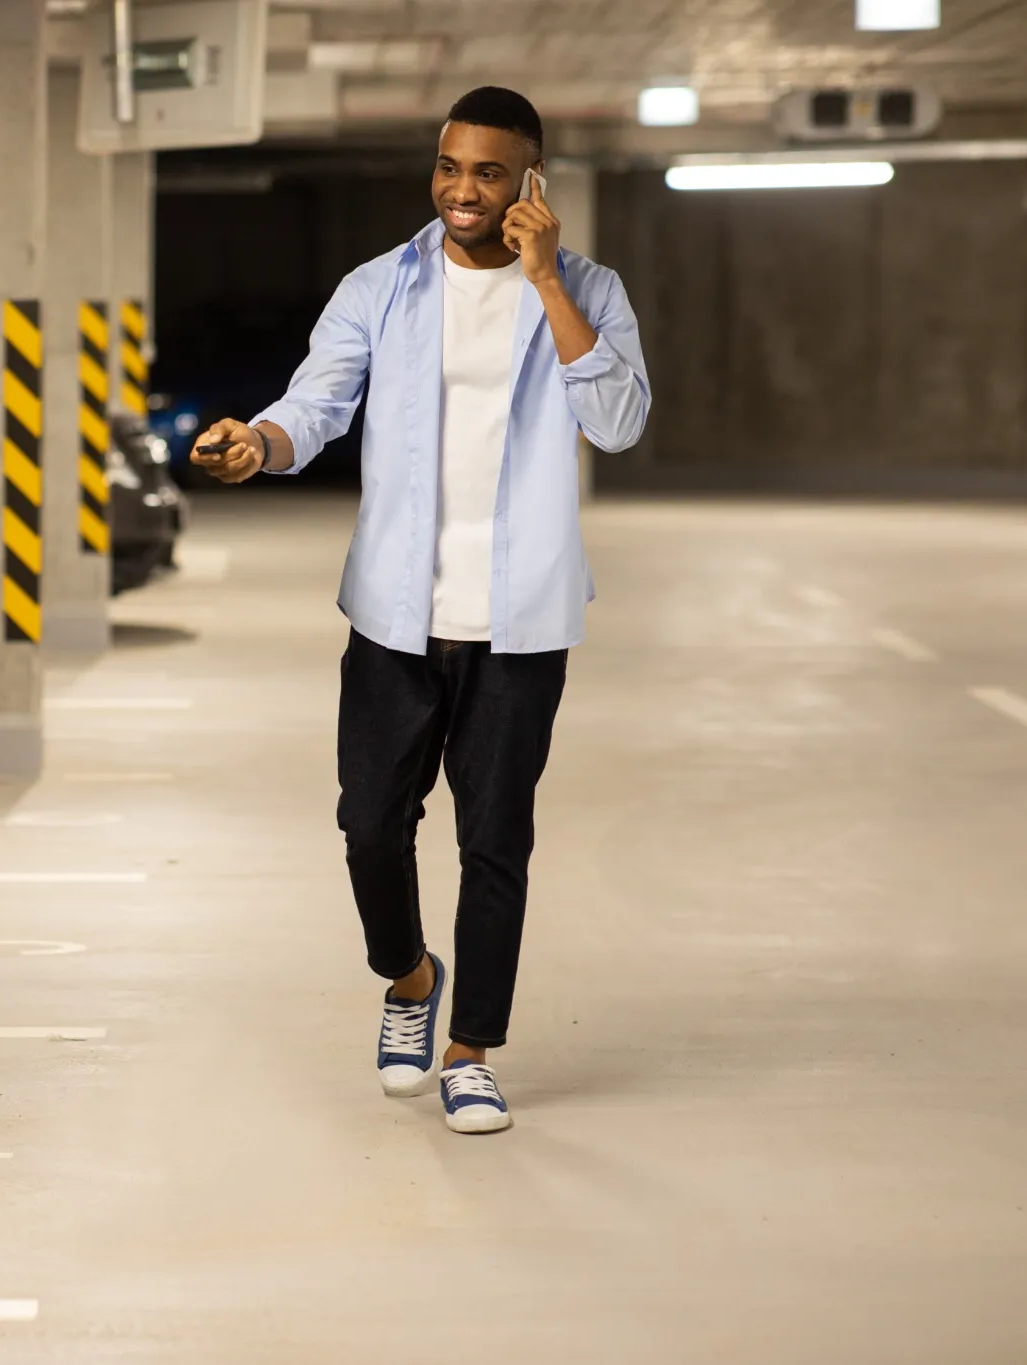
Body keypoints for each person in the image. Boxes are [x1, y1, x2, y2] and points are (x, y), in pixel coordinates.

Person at [192, 87, 649, 1134]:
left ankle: (469, 1051)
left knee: (495, 841)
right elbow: (315, 404)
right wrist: (256, 445)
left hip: (520, 621)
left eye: (488, 172)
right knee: (366, 825)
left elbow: (618, 422)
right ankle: (407, 977)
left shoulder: (587, 290)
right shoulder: (379, 288)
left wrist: (544, 283)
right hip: (394, 615)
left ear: (530, 181)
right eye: (448, 166)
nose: (461, 189)